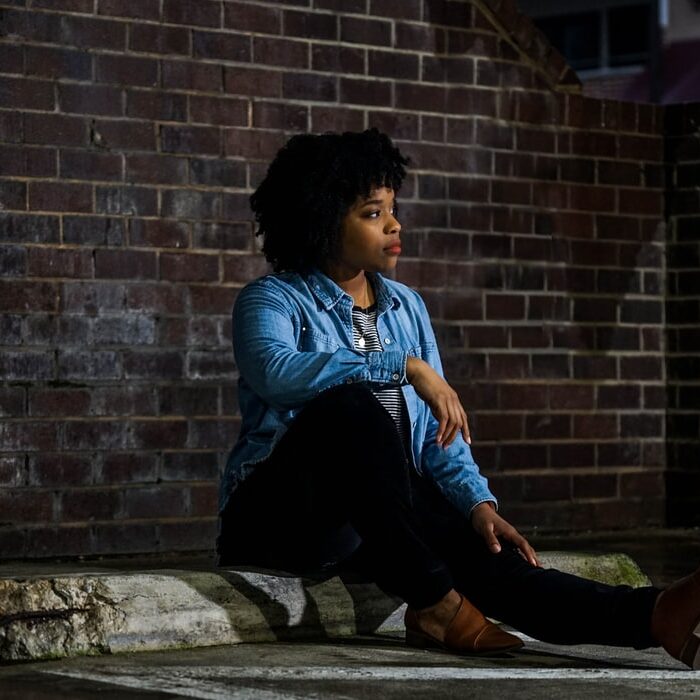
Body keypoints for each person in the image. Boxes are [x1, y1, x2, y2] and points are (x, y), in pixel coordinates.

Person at [216, 127, 700, 667]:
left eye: (392, 209)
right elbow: (278, 373)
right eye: (372, 213)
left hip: (375, 515)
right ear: (323, 218)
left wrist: (476, 503)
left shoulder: (406, 307)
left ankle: (655, 616)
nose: (395, 224)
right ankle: (436, 604)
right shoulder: (270, 299)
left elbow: (437, 434)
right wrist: (402, 366)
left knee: (491, 556)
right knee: (351, 407)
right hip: (278, 521)